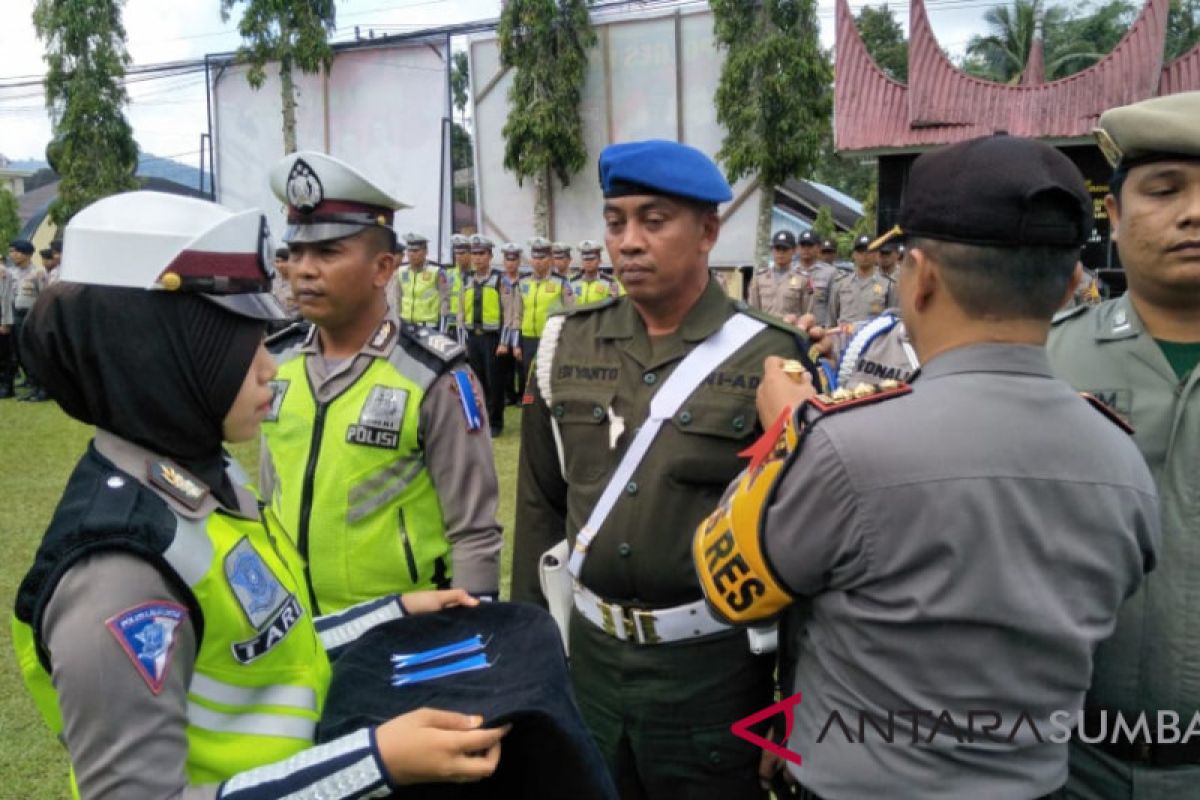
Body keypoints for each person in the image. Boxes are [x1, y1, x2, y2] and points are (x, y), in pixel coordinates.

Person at [694, 134, 1160, 799]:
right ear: (1067, 287)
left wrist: (785, 435)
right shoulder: (1123, 459)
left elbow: (723, 582)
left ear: (921, 277)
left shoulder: (842, 448)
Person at [11, 190, 509, 799]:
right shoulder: (117, 573)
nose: (270, 366)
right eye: (239, 342)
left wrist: (389, 614)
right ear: (162, 353)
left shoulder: (200, 483)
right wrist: (373, 764)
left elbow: (261, 643)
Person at [512, 139, 819, 800]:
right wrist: (530, 667)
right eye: (616, 221)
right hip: (589, 662)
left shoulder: (768, 354)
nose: (628, 242)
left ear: (708, 231)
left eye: (654, 221)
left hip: (712, 677)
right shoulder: (567, 344)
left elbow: (802, 542)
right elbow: (539, 509)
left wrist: (790, 705)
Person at [259, 151, 502, 614]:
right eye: (297, 252)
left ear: (383, 269)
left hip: (400, 632)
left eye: (328, 252)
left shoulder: (433, 374)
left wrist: (476, 631)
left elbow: (474, 530)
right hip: (298, 632)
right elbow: (273, 496)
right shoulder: (277, 363)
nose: (304, 270)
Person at [1047, 91, 1200, 799]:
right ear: (1113, 215)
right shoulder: (1046, 364)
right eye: (1165, 191)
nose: (1193, 213)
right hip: (1072, 761)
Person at [463, 234, 510, 437]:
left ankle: (496, 421)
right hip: (473, 337)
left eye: (481, 253)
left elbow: (509, 312)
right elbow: (459, 311)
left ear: (490, 256)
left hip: (493, 339)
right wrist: (462, 339)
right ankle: (479, 418)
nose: (477, 258)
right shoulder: (467, 279)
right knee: (476, 381)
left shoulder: (500, 279)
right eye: (474, 253)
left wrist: (505, 341)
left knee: (494, 382)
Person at [514, 236, 574, 385]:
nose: (538, 261)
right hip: (528, 338)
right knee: (529, 378)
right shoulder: (523, 282)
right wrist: (516, 343)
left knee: (550, 377)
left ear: (550, 259)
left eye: (542, 257)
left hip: (551, 337)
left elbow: (571, 312)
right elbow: (518, 314)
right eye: (535, 257)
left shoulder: (561, 282)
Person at [826, 233, 896, 327]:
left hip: (873, 338)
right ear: (854, 255)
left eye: (869, 251)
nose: (864, 255)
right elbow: (831, 320)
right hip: (844, 338)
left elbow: (893, 318)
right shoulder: (841, 283)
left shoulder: (888, 285)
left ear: (876, 254)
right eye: (860, 251)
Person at [9, 238, 48, 401]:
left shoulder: (38, 272)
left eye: (16, 251)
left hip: (32, 316)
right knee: (21, 353)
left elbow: (45, 295)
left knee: (34, 352)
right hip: (15, 314)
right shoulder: (12, 273)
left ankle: (43, 388)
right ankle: (32, 384)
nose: (13, 255)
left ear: (27, 254)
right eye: (11, 251)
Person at [747, 229, 807, 324]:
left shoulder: (803, 279)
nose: (781, 253)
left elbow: (807, 314)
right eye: (777, 249)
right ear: (772, 250)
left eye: (785, 249)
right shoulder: (759, 278)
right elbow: (753, 310)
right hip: (766, 330)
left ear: (794, 250)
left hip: (791, 331)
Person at [395, 232, 446, 327]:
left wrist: (442, 326)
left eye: (415, 251)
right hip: (405, 325)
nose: (411, 254)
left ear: (426, 252)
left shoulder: (436, 272)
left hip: (428, 325)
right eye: (409, 251)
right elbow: (397, 299)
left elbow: (445, 300)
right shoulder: (401, 272)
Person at [498, 241, 524, 404]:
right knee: (504, 363)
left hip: (520, 326)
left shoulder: (524, 281)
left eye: (514, 260)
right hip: (503, 327)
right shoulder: (499, 282)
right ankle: (509, 395)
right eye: (508, 260)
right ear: (504, 261)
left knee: (520, 364)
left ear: (519, 262)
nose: (510, 263)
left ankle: (522, 394)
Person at [570, 239, 623, 304]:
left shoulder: (610, 282)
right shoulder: (572, 281)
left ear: (600, 260)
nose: (588, 262)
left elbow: (613, 305)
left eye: (592, 259)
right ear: (581, 261)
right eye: (585, 259)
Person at [443, 233, 472, 343]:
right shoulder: (448, 274)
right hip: (452, 326)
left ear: (470, 253)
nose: (458, 256)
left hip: (470, 325)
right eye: (456, 253)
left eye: (462, 253)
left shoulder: (476, 274)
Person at [807, 238, 840, 326]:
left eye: (829, 252)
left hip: (822, 325)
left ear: (835, 254)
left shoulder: (837, 274)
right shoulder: (809, 272)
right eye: (824, 252)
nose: (826, 256)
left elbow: (833, 305)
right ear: (818, 253)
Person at [0, 251, 13, 398]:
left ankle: (6, 385)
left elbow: (5, 297)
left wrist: (5, 321)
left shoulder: (3, 272)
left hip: (1, 314)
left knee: (3, 354)